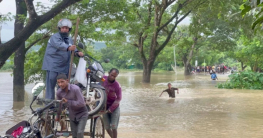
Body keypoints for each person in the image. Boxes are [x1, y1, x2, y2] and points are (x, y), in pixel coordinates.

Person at [42, 18, 84, 100]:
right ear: (60, 28)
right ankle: (49, 106)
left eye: (66, 28)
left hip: (64, 67)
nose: (65, 30)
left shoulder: (69, 39)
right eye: (63, 28)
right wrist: (69, 48)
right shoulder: (54, 37)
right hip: (53, 66)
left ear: (69, 29)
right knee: (50, 87)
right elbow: (60, 45)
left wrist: (77, 53)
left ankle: (61, 104)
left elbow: (73, 49)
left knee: (62, 86)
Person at [56, 74, 88, 138]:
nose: (60, 84)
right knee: (74, 134)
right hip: (72, 114)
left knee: (79, 132)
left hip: (82, 113)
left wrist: (68, 101)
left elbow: (82, 103)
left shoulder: (75, 89)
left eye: (62, 82)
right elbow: (59, 105)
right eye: (58, 82)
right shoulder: (59, 92)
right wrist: (58, 115)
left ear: (67, 81)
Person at [101, 68, 122, 138]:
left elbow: (119, 98)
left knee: (114, 127)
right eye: (111, 75)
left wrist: (111, 108)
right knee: (107, 127)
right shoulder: (103, 79)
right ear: (108, 73)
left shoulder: (117, 85)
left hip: (114, 107)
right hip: (104, 106)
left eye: (114, 76)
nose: (112, 77)